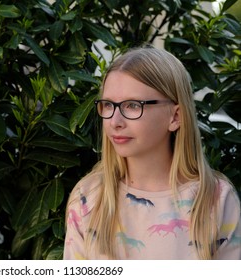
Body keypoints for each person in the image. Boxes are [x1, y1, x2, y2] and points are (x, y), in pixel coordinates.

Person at [63, 46, 241, 260]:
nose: (114, 122)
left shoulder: (216, 199)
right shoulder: (88, 198)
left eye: (132, 106)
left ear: (175, 117)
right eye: (109, 105)